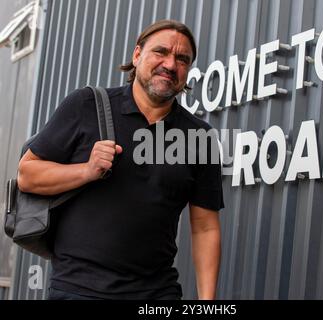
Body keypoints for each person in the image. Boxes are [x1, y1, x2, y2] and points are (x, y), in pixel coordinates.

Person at [17, 19, 224, 300]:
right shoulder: (85, 105)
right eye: (160, 52)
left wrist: (207, 301)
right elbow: (27, 175)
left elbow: (205, 227)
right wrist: (86, 170)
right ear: (137, 55)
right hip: (79, 290)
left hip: (157, 294)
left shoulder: (200, 136)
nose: (171, 64)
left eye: (182, 59)